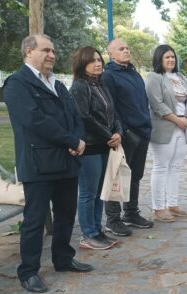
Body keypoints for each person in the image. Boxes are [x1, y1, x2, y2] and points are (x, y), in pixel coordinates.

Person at [4, 35, 93, 293]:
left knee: (66, 215)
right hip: (38, 163)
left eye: (53, 51)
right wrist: (71, 139)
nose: (52, 55)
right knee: (35, 220)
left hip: (66, 160)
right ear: (29, 52)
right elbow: (35, 121)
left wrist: (78, 139)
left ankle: (63, 259)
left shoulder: (59, 85)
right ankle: (29, 272)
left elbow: (74, 116)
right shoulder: (17, 84)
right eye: (46, 50)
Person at [69, 46, 123, 250]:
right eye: (92, 61)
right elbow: (84, 117)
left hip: (104, 146)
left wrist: (118, 132)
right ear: (82, 65)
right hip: (90, 147)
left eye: (99, 60)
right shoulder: (80, 87)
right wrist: (109, 135)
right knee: (88, 193)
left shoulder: (101, 85)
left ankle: (97, 230)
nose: (98, 64)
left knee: (100, 191)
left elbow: (113, 113)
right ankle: (88, 234)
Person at [101, 38, 154, 236]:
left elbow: (143, 101)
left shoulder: (134, 74)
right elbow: (111, 108)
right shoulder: (108, 76)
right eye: (120, 49)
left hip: (143, 132)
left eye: (127, 48)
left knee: (136, 175)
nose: (126, 51)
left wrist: (146, 126)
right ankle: (113, 219)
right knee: (118, 176)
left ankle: (131, 213)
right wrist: (124, 132)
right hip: (126, 135)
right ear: (111, 54)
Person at [145, 44, 187, 222]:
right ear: (159, 59)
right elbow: (157, 104)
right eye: (167, 57)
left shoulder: (180, 77)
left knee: (175, 167)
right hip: (165, 127)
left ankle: (172, 204)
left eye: (173, 57)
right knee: (160, 167)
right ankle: (158, 208)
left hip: (183, 127)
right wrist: (177, 119)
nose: (171, 60)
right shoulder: (154, 77)